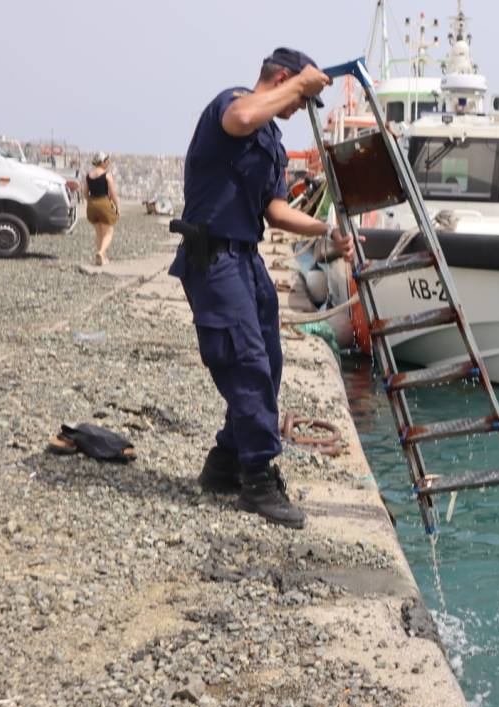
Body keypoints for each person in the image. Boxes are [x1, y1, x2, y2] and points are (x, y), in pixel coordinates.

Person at [168, 47, 356, 529]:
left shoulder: (269, 135)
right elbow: (246, 113)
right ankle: (257, 476)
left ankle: (224, 462)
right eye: (296, 96)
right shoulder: (234, 105)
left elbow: (274, 209)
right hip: (213, 256)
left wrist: (323, 232)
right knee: (243, 359)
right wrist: (299, 87)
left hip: (246, 257)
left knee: (267, 362)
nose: (298, 109)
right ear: (281, 78)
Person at [83, 151, 120, 265]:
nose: (108, 162)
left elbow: (85, 193)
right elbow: (112, 193)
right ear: (102, 162)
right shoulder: (107, 175)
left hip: (92, 205)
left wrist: (90, 202)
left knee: (99, 232)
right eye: (106, 160)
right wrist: (117, 208)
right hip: (103, 203)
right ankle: (101, 252)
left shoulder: (89, 176)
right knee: (108, 232)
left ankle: (102, 258)